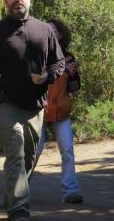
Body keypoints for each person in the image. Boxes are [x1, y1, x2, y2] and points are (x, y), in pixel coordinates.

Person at [0, 0, 64, 221]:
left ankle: (12, 196)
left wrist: (46, 76)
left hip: (35, 105)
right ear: (5, 0)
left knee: (28, 157)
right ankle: (19, 211)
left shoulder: (44, 30)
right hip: (4, 102)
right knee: (15, 152)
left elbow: (59, 62)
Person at [34, 18, 83, 204]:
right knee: (33, 152)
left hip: (61, 111)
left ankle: (70, 191)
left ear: (61, 35)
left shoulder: (68, 58)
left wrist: (71, 74)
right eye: (47, 30)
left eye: (54, 30)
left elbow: (75, 88)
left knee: (67, 151)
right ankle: (19, 192)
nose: (51, 33)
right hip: (38, 110)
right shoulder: (36, 56)